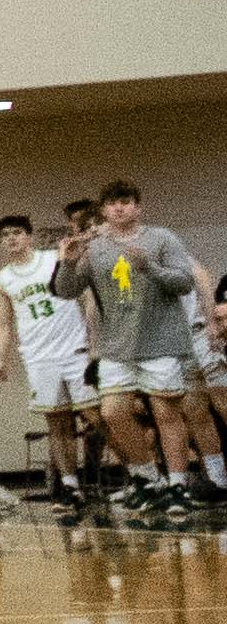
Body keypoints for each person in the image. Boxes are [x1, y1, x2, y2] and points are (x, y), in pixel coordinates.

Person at [74, 181, 210, 516]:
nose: (119, 208)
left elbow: (184, 282)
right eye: (112, 203)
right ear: (103, 210)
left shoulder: (162, 238)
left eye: (126, 202)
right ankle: (149, 478)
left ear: (137, 206)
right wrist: (66, 261)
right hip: (116, 346)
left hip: (160, 341)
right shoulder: (94, 247)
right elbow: (66, 290)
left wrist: (150, 265)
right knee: (112, 413)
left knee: (167, 414)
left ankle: (177, 484)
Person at [0, 208, 93, 505]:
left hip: (74, 348)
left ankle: (137, 476)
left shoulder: (53, 259)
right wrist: (0, 358)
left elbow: (86, 294)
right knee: (57, 422)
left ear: (29, 236)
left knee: (97, 415)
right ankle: (69, 483)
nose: (11, 239)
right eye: (5, 236)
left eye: (16, 233)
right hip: (39, 356)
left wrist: (92, 336)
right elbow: (3, 322)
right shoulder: (2, 279)